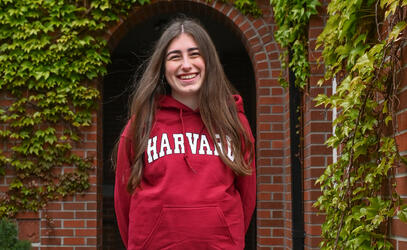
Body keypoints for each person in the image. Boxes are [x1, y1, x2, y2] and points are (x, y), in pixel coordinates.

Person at [114, 18, 256, 250]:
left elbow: (247, 196)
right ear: (163, 66)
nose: (186, 64)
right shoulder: (140, 123)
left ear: (208, 61)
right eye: (175, 57)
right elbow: (123, 200)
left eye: (194, 54)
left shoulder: (234, 122)